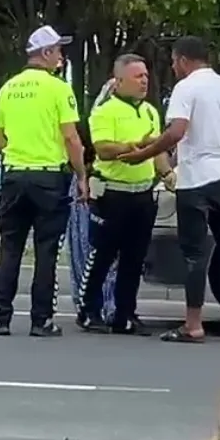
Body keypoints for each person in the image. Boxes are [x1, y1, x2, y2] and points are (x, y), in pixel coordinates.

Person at [117, 36, 220, 344]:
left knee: (195, 255)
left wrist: (145, 154)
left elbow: (177, 131)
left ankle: (193, 325)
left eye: (172, 62)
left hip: (195, 181)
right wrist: (218, 148)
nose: (172, 67)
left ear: (182, 60)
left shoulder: (186, 88)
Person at [0, 25, 88, 337]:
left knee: (10, 247)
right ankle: (41, 320)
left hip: (14, 175)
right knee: (47, 250)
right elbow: (71, 137)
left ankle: (0, 317)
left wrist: (19, 150)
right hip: (49, 178)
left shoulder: (8, 88)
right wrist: (82, 174)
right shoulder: (58, 89)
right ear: (45, 53)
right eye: (57, 50)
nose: (61, 56)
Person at [76, 54, 175, 335]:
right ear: (119, 81)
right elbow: (103, 148)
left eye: (145, 75)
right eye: (137, 76)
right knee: (103, 255)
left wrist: (167, 173)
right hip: (112, 195)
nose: (144, 81)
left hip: (142, 194)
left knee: (135, 258)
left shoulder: (150, 112)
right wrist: (136, 145)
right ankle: (89, 310)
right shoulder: (105, 111)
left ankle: (125, 314)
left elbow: (157, 152)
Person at [67, 79, 119, 323]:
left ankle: (110, 305)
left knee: (106, 253)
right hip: (93, 185)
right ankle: (91, 306)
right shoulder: (100, 118)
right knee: (90, 251)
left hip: (116, 188)